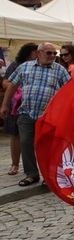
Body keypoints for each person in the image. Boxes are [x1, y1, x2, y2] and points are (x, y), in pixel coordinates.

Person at [0, 43, 70, 186]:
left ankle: (49, 176)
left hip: (49, 116)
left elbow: (69, 90)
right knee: (25, 143)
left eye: (54, 54)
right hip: (26, 112)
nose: (52, 56)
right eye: (49, 53)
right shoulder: (24, 67)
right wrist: (5, 104)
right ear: (38, 53)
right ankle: (32, 174)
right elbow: (12, 84)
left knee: (47, 146)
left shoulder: (60, 70)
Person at [2, 43, 38, 176]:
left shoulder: (41, 65)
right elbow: (5, 82)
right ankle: (14, 164)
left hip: (33, 105)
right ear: (29, 52)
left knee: (32, 137)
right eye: (36, 52)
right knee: (15, 134)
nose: (38, 54)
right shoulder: (17, 64)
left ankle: (36, 165)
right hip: (16, 104)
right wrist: (17, 86)